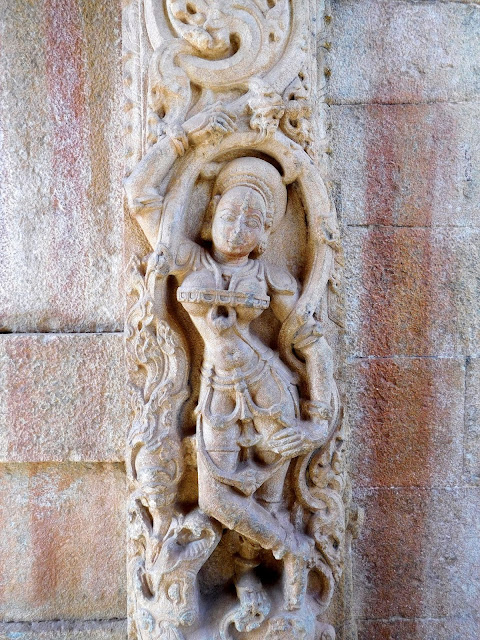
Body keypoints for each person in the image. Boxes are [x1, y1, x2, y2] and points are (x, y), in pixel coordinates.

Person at [125, 106, 334, 615]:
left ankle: (259, 576)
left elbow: (312, 343)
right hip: (216, 393)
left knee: (264, 499)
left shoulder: (271, 279)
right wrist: (182, 145)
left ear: (265, 237)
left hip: (270, 391)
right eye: (230, 213)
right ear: (210, 213)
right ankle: (292, 551)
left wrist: (317, 421)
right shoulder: (189, 260)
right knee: (219, 501)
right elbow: (141, 197)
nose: (239, 227)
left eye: (253, 221)